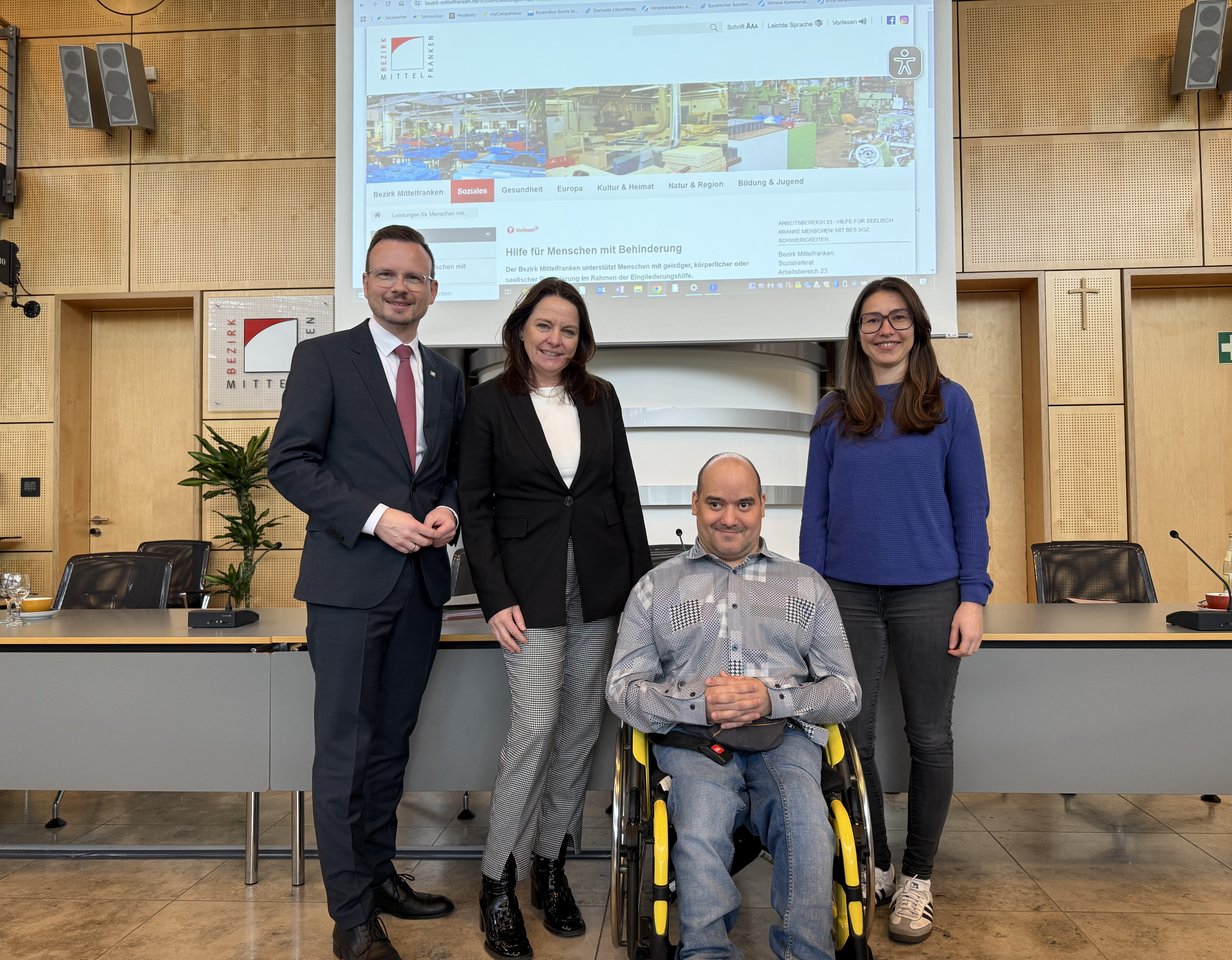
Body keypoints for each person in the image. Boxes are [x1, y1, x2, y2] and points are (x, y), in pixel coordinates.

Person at [268, 224, 464, 960]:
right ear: (366, 283)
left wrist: (451, 510)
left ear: (432, 290)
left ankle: (380, 877)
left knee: (389, 748)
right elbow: (288, 462)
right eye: (386, 274)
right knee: (344, 753)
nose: (399, 287)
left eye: (413, 277)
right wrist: (378, 519)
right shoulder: (323, 359)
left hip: (418, 587)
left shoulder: (446, 376)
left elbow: (445, 475)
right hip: (349, 582)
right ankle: (350, 916)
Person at [457, 277, 650, 960]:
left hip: (599, 585)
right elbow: (474, 510)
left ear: (581, 339)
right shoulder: (487, 403)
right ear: (521, 330)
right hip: (526, 589)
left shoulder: (601, 399)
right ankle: (497, 879)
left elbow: (622, 491)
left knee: (579, 729)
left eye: (568, 330)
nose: (555, 339)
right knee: (536, 722)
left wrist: (637, 594)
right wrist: (494, 597)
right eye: (544, 326)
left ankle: (549, 867)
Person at [607, 452, 862, 960]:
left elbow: (847, 692)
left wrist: (775, 698)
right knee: (699, 830)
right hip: (692, 744)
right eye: (716, 503)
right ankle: (706, 953)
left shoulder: (807, 586)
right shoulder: (654, 589)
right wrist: (699, 704)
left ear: (763, 506)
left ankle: (806, 953)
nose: (730, 517)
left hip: (784, 737)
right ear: (695, 505)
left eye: (744, 504)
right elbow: (620, 688)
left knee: (809, 827)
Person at [799, 277, 991, 945]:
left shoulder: (949, 404)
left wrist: (973, 595)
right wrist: (810, 602)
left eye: (897, 318)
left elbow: (971, 508)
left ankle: (917, 878)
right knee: (852, 739)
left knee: (929, 738)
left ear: (917, 326)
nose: (885, 329)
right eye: (872, 320)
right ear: (857, 333)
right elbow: (814, 517)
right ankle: (874, 861)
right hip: (847, 594)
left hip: (929, 592)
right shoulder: (832, 411)